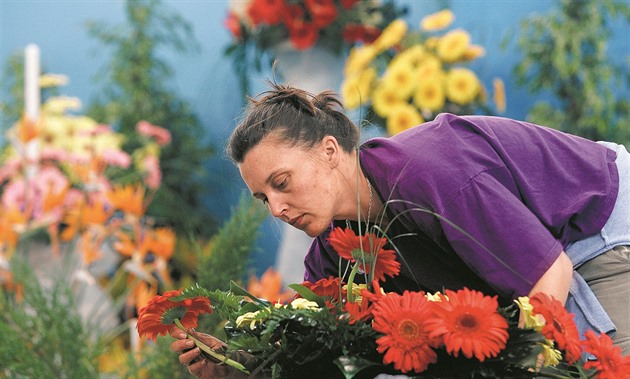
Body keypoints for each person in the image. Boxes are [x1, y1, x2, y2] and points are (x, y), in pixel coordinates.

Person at [171, 83, 630, 377]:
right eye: (263, 198)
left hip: (594, 226)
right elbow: (317, 347)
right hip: (546, 261)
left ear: (330, 151)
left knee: (596, 364)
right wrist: (241, 367)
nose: (275, 208)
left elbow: (549, 273)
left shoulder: (428, 174)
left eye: (281, 183)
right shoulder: (335, 247)